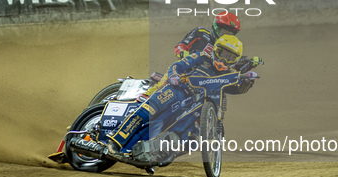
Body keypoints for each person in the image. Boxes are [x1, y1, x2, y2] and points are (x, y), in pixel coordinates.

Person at [105, 35, 259, 164]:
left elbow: (238, 88)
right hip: (177, 91)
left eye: (230, 58)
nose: (224, 61)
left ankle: (152, 155)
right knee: (147, 111)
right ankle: (114, 142)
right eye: (222, 54)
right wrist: (174, 76)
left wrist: (247, 81)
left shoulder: (228, 76)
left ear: (235, 60)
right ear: (215, 50)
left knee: (189, 142)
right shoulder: (200, 57)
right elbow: (177, 65)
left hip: (195, 108)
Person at [174, 12, 241, 59]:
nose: (225, 36)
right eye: (223, 32)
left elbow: (235, 64)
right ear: (215, 28)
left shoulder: (232, 46)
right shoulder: (201, 32)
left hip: (215, 76)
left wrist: (251, 63)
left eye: (230, 34)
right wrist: (183, 53)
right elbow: (180, 46)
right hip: (190, 70)